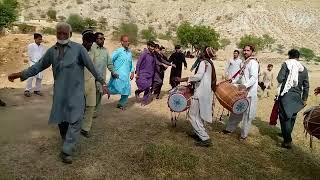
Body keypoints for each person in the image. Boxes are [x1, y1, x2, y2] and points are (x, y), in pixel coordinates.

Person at [8, 22, 108, 164]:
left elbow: (91, 67)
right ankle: (66, 138)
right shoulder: (51, 51)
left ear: (71, 34)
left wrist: (102, 82)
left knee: (76, 120)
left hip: (76, 93)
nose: (61, 36)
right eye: (59, 33)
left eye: (64, 34)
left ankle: (66, 151)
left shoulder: (79, 49)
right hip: (60, 93)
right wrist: (19, 74)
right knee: (62, 120)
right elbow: (37, 67)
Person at [176, 47, 217, 147]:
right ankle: (198, 133)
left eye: (202, 52)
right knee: (199, 116)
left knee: (192, 115)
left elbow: (198, 77)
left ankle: (205, 138)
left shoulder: (204, 63)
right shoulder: (210, 63)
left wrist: (182, 79)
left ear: (205, 54)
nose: (200, 53)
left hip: (200, 93)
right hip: (206, 93)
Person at [222, 45, 259, 141]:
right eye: (244, 50)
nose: (245, 52)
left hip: (249, 92)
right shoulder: (244, 62)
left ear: (252, 52)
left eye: (248, 50)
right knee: (236, 110)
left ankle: (244, 135)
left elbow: (254, 77)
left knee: (247, 115)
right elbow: (240, 76)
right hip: (241, 92)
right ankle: (229, 129)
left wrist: (245, 86)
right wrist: (233, 81)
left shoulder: (253, 63)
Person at [277, 49, 309, 149]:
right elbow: (306, 85)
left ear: (289, 56)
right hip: (297, 95)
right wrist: (304, 98)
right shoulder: (303, 68)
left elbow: (280, 78)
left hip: (286, 94)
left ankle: (287, 141)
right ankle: (286, 133)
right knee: (292, 116)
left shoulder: (286, 64)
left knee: (284, 117)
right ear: (298, 57)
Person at [91, 32, 118, 118]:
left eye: (104, 39)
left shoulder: (105, 50)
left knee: (98, 96)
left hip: (101, 79)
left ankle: (93, 115)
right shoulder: (91, 48)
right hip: (90, 78)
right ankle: (87, 115)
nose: (103, 40)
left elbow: (109, 64)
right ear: (96, 39)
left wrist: (113, 72)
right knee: (89, 97)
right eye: (101, 38)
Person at [80, 29, 100, 138]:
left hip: (91, 82)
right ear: (83, 40)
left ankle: (85, 128)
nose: (90, 44)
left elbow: (94, 67)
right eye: (88, 42)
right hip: (79, 83)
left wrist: (97, 81)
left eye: (91, 43)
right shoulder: (77, 51)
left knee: (91, 106)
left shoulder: (93, 51)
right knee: (79, 107)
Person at [108, 35, 135, 110]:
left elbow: (131, 63)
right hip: (117, 75)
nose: (127, 43)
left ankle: (121, 104)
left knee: (126, 90)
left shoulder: (129, 52)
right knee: (112, 89)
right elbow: (110, 60)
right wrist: (112, 71)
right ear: (122, 42)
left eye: (128, 41)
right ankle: (96, 99)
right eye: (125, 41)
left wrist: (132, 72)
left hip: (126, 76)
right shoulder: (118, 51)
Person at [135, 41, 156, 105]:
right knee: (145, 86)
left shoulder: (153, 55)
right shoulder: (144, 53)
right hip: (142, 74)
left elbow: (154, 64)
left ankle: (144, 101)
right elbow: (138, 63)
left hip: (150, 75)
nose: (153, 48)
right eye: (152, 46)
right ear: (148, 46)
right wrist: (137, 73)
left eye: (154, 47)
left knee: (148, 87)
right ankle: (138, 91)